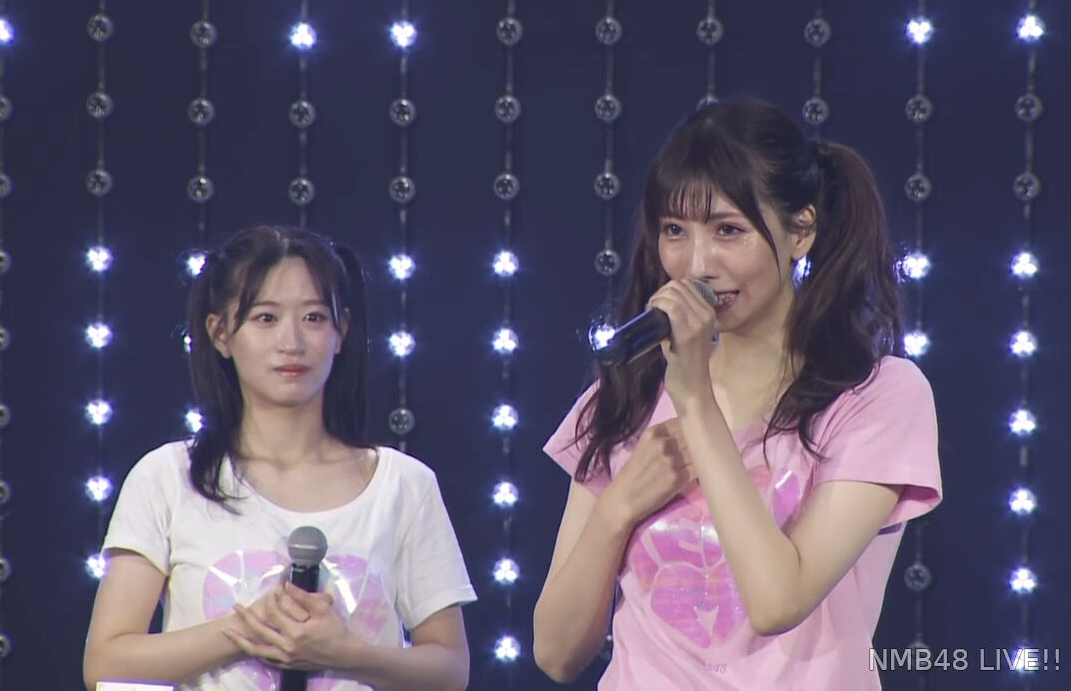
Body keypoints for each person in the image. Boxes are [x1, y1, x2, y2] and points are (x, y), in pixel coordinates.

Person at [533, 97, 942, 689]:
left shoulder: (876, 397)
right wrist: (619, 507)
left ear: (801, 231)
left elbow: (778, 601)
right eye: (675, 231)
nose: (697, 264)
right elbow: (556, 653)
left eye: (729, 230)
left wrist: (694, 398)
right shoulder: (626, 394)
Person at [83, 226, 475, 691]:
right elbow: (106, 662)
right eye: (265, 318)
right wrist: (248, 629)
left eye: (314, 317)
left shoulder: (403, 484)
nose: (292, 341)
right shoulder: (167, 478)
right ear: (220, 333)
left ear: (341, 332)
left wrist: (348, 654)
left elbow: (450, 670)